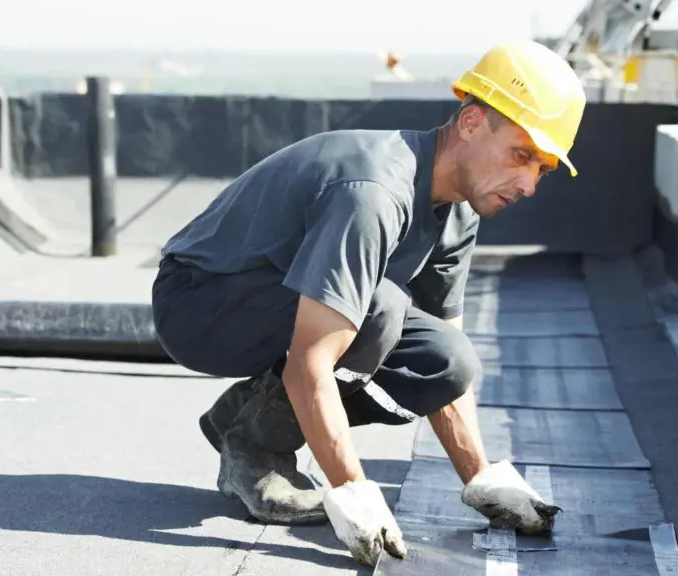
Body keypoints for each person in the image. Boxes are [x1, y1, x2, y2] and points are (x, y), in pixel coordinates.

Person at [150, 39, 586, 567]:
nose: (530, 184)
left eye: (543, 168)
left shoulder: (459, 210)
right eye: (522, 155)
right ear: (471, 123)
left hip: (278, 307)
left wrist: (481, 476)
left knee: (446, 361)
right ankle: (255, 453)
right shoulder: (376, 191)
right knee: (379, 308)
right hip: (202, 301)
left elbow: (443, 348)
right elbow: (313, 358)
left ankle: (246, 417)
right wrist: (352, 488)